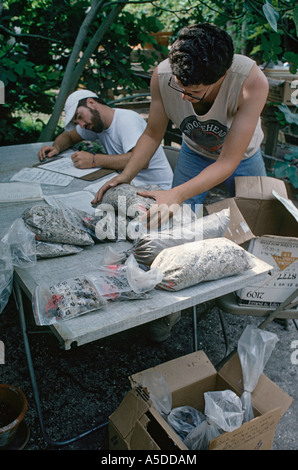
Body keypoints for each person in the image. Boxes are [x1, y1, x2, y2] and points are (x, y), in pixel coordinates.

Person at [91, 22, 269, 225]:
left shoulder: (252, 82)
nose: (184, 98)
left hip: (244, 156)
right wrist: (127, 175)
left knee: (256, 220)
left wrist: (177, 194)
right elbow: (152, 134)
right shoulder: (162, 76)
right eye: (179, 88)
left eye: (194, 93)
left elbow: (228, 161)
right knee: (174, 221)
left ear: (222, 77)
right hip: (194, 152)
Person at [37, 89, 173, 189]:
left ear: (91, 103)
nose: (82, 125)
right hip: (131, 184)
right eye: (77, 123)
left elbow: (142, 161)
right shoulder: (96, 125)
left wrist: (94, 160)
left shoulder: (126, 120)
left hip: (157, 189)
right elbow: (69, 136)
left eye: (79, 117)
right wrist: (57, 147)